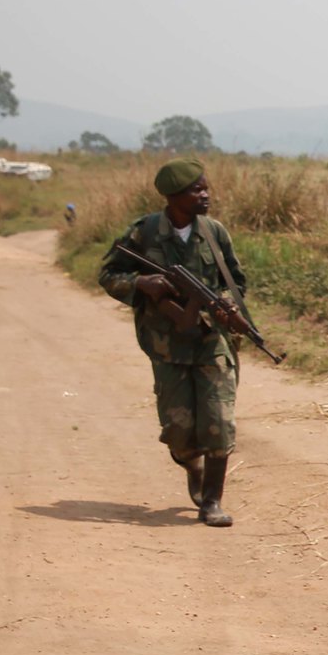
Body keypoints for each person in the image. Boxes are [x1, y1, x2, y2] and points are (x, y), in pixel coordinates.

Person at [96, 159, 248, 525]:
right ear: (173, 196)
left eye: (206, 188)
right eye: (197, 190)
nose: (205, 195)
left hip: (212, 342)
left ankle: (211, 502)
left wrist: (226, 305)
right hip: (167, 346)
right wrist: (141, 284)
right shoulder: (144, 233)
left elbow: (236, 281)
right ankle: (191, 466)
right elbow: (108, 273)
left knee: (219, 422)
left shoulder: (215, 232)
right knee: (179, 433)